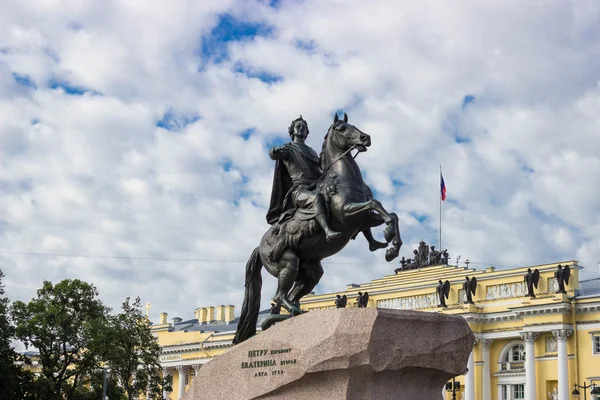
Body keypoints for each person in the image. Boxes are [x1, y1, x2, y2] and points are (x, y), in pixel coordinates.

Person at [265, 116, 341, 241]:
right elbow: (273, 155)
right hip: (299, 191)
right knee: (315, 199)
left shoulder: (312, 151)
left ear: (307, 132)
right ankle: (327, 231)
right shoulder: (289, 148)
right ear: (292, 131)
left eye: (304, 127)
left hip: (316, 185)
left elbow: (322, 167)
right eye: (298, 126)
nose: (301, 128)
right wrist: (274, 150)